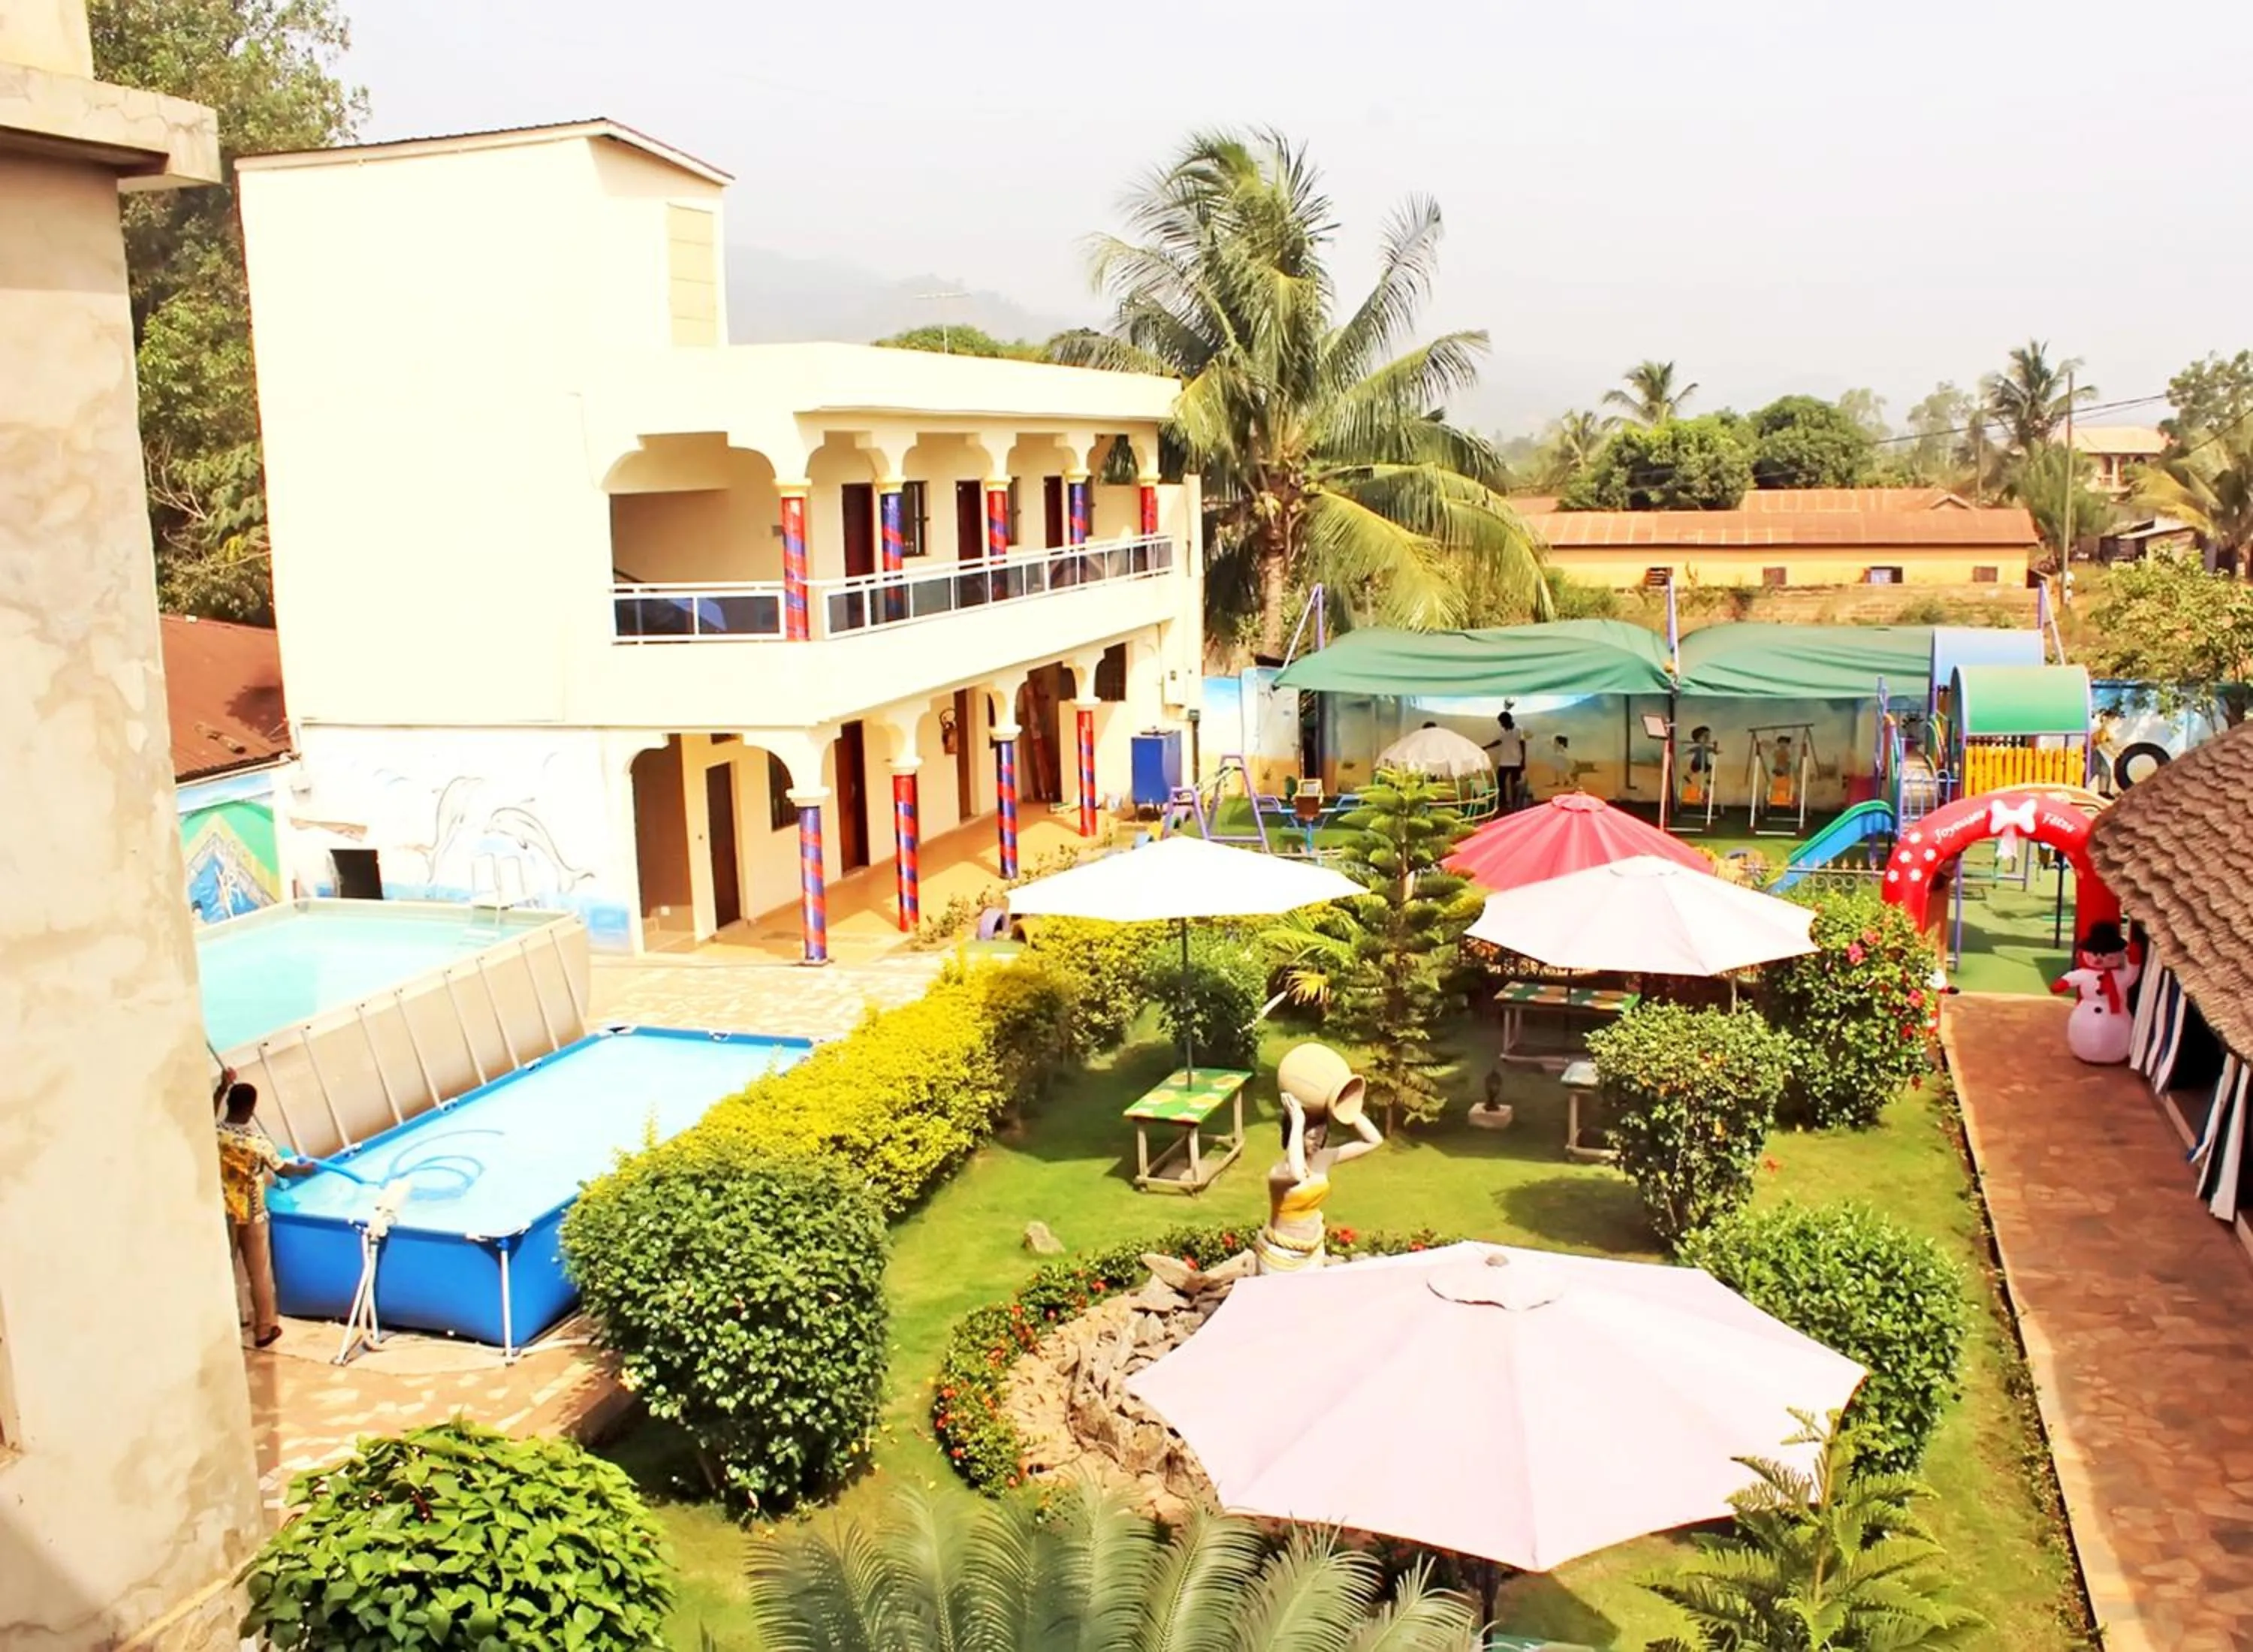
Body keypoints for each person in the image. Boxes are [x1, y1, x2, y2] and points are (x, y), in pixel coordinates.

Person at [214, 1069, 316, 1347]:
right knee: (259, 1273)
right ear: (251, 1108)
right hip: (253, 1214)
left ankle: (226, 1330)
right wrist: (306, 1170)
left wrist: (221, 1088)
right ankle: (264, 1329)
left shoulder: (215, 1134)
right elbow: (284, 1170)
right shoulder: (258, 1143)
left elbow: (208, 1115)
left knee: (222, 1272)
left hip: (223, 1213)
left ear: (229, 1104)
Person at [1256, 1087, 1383, 1273]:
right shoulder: (1278, 1172)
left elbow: (1373, 1141)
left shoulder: (1323, 1158)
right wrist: (1298, 1120)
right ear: (1296, 1135)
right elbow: (1297, 1175)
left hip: (1313, 1251)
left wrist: (1346, 1108)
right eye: (1312, 1137)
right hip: (1280, 1256)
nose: (1318, 1141)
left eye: (1323, 1136)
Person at [1485, 710, 1527, 811]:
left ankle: (1515, 804)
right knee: (1500, 782)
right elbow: (1499, 741)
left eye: (1502, 722)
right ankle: (1503, 803)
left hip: (1516, 762)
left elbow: (1523, 744)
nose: (1501, 725)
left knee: (1515, 784)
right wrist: (1486, 747)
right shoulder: (1503, 731)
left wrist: (1523, 761)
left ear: (1508, 720)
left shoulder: (1519, 729)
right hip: (1504, 761)